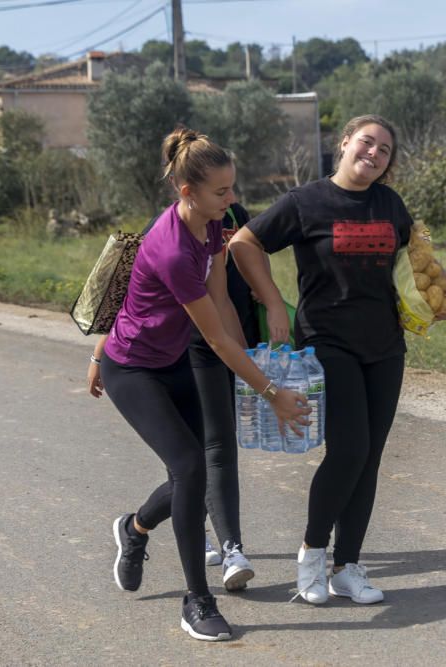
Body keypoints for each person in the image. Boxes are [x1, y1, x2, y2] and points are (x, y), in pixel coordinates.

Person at [229, 114, 446, 606]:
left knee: (370, 457)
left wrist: (445, 289)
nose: (374, 153)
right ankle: (312, 555)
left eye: (384, 150)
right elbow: (244, 241)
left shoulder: (389, 204)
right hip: (328, 342)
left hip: (385, 345)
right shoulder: (305, 202)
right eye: (367, 142)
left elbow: (413, 259)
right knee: (350, 450)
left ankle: (347, 567)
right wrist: (271, 299)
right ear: (344, 144)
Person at [88, 127, 308, 641]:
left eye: (232, 188)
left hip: (173, 362)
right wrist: (270, 392)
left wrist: (259, 368)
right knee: (190, 466)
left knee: (192, 475)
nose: (232, 201)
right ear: (187, 191)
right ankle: (197, 600)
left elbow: (226, 308)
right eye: (222, 191)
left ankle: (135, 527)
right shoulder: (170, 249)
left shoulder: (213, 227)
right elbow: (214, 337)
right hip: (134, 367)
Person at [142, 200, 261, 590]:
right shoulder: (164, 230)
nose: (226, 195)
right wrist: (101, 352)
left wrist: (263, 299)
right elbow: (129, 293)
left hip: (224, 340)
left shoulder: (232, 216)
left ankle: (232, 548)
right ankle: (179, 529)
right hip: (181, 348)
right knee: (190, 457)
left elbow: (239, 274)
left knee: (220, 446)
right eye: (219, 188)